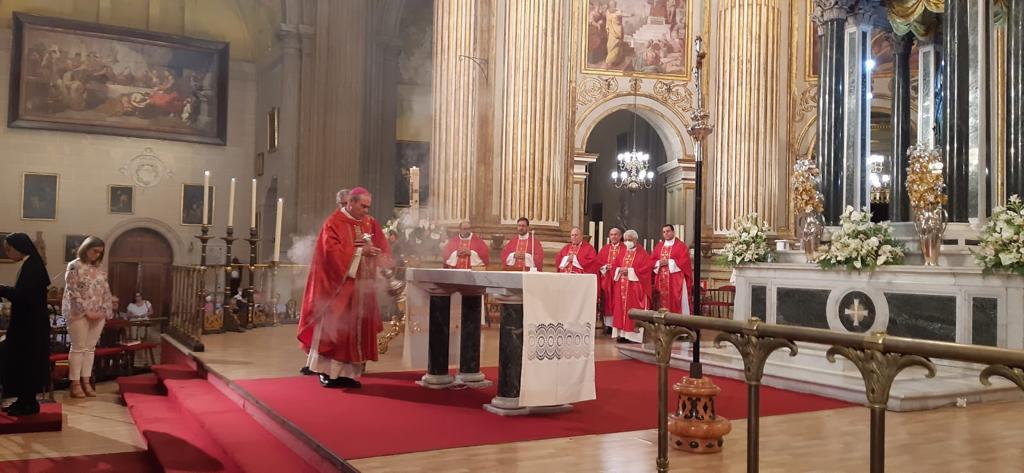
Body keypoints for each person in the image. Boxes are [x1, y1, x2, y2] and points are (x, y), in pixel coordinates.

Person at [297, 187, 392, 388]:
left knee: (353, 333)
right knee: (335, 331)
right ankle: (327, 372)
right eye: (363, 206)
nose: (366, 211)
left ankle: (347, 373)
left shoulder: (369, 223)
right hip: (337, 289)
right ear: (350, 202)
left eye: (368, 207)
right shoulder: (333, 223)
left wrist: (380, 257)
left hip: (361, 289)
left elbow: (382, 246)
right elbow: (330, 253)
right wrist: (360, 252)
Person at [299, 188, 351, 376]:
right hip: (330, 281)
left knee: (345, 327)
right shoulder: (333, 222)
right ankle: (317, 364)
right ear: (338, 204)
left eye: (349, 203)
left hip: (347, 283)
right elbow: (330, 252)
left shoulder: (356, 223)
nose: (346, 207)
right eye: (343, 204)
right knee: (324, 325)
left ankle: (344, 366)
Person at [0, 234, 51, 415]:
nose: (7, 253)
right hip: (28, 323)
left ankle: (28, 403)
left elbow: (22, 296)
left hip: (30, 326)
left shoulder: (32, 266)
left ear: (19, 247)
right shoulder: (30, 263)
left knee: (27, 362)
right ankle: (24, 401)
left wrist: (1, 288)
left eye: (9, 249)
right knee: (23, 362)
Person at [62, 237, 114, 399]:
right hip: (78, 312)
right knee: (78, 348)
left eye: (100, 252)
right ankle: (75, 383)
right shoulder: (74, 265)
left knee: (90, 349)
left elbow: (106, 291)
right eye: (94, 251)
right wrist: (87, 311)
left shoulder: (100, 269)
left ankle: (86, 381)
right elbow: (72, 290)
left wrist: (105, 309)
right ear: (86, 248)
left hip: (98, 313)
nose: (97, 255)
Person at [611, 229, 653, 343]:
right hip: (622, 287)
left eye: (629, 240)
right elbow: (614, 266)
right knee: (621, 311)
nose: (627, 242)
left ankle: (632, 336)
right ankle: (622, 335)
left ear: (635, 240)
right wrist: (619, 270)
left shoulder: (643, 254)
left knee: (632, 311)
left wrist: (629, 271)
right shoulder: (622, 252)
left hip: (635, 288)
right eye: (625, 240)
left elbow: (646, 269)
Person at [651, 224, 693, 314]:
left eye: (668, 231)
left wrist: (669, 262)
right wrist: (658, 263)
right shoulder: (659, 246)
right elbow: (652, 260)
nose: (666, 233)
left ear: (673, 232)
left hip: (675, 280)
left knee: (676, 301)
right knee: (660, 301)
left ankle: (677, 321)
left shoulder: (681, 246)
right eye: (664, 232)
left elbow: (684, 262)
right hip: (661, 279)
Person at [596, 227, 624, 335]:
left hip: (619, 279)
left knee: (617, 302)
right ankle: (608, 325)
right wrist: (604, 267)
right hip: (607, 280)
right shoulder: (605, 249)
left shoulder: (625, 248)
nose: (613, 237)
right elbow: (598, 263)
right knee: (607, 301)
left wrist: (615, 268)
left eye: (616, 234)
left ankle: (617, 325)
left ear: (620, 236)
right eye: (611, 234)